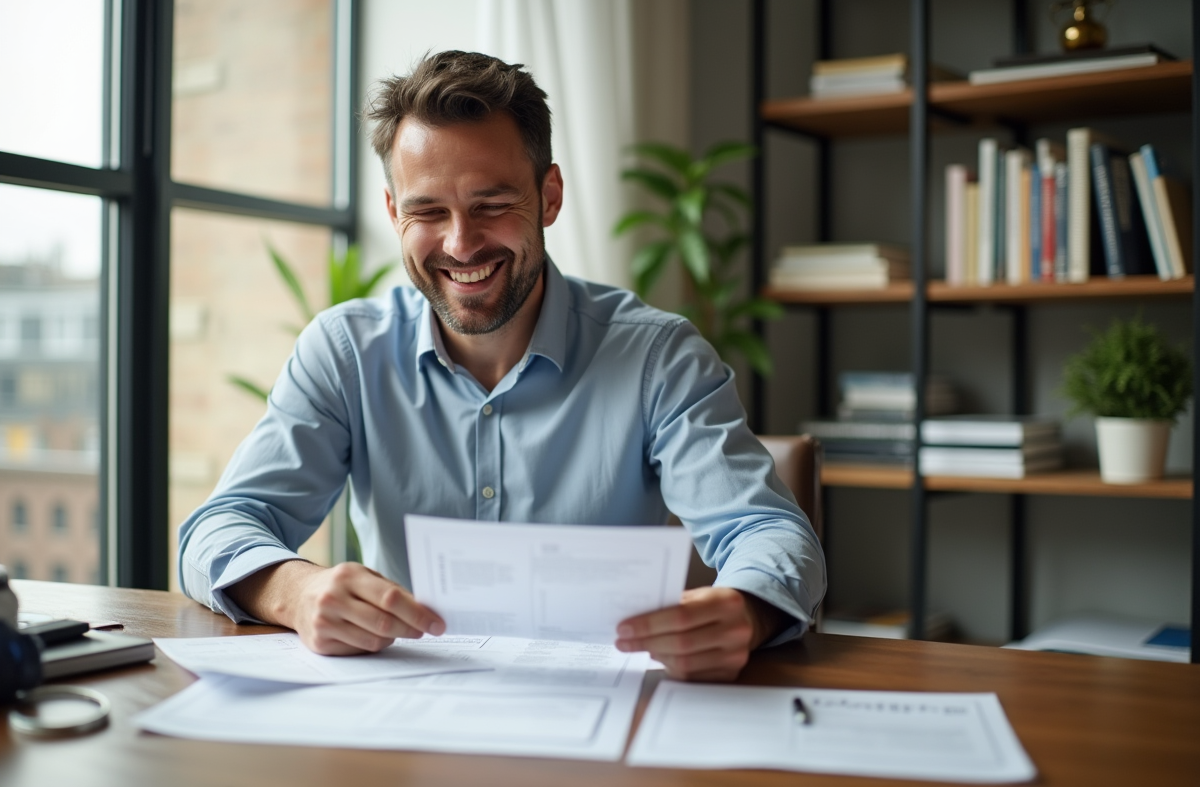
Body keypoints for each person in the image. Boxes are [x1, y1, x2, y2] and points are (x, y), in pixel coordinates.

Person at [179, 50, 825, 683]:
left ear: (548, 196)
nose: (460, 244)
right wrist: (297, 592)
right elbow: (218, 529)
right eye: (427, 211)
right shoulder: (345, 353)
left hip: (604, 708)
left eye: (491, 205)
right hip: (402, 711)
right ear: (392, 213)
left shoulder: (660, 359)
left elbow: (770, 533)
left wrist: (746, 610)